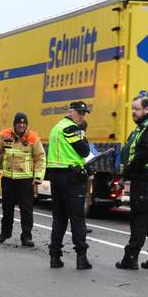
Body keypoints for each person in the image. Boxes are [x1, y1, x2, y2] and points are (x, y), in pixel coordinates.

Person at [116, 97, 148, 270]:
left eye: (137, 109)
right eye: (132, 109)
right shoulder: (141, 128)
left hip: (145, 179)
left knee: (139, 219)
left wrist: (126, 175)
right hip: (144, 179)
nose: (133, 112)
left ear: (147, 109)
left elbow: (144, 153)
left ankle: (131, 257)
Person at [0, 113, 46, 246]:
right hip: (8, 178)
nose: (21, 125)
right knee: (7, 208)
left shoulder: (33, 138)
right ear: (14, 124)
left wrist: (38, 177)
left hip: (25, 180)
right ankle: (5, 233)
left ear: (26, 124)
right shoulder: (4, 135)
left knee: (26, 210)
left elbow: (40, 158)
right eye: (19, 123)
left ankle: (26, 237)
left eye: (24, 123)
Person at [47, 101, 92, 269]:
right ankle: (82, 258)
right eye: (79, 113)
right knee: (77, 219)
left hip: (56, 177)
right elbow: (84, 151)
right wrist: (84, 139)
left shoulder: (56, 128)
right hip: (71, 178)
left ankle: (55, 257)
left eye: (84, 113)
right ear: (70, 112)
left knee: (59, 218)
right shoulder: (71, 129)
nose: (82, 116)